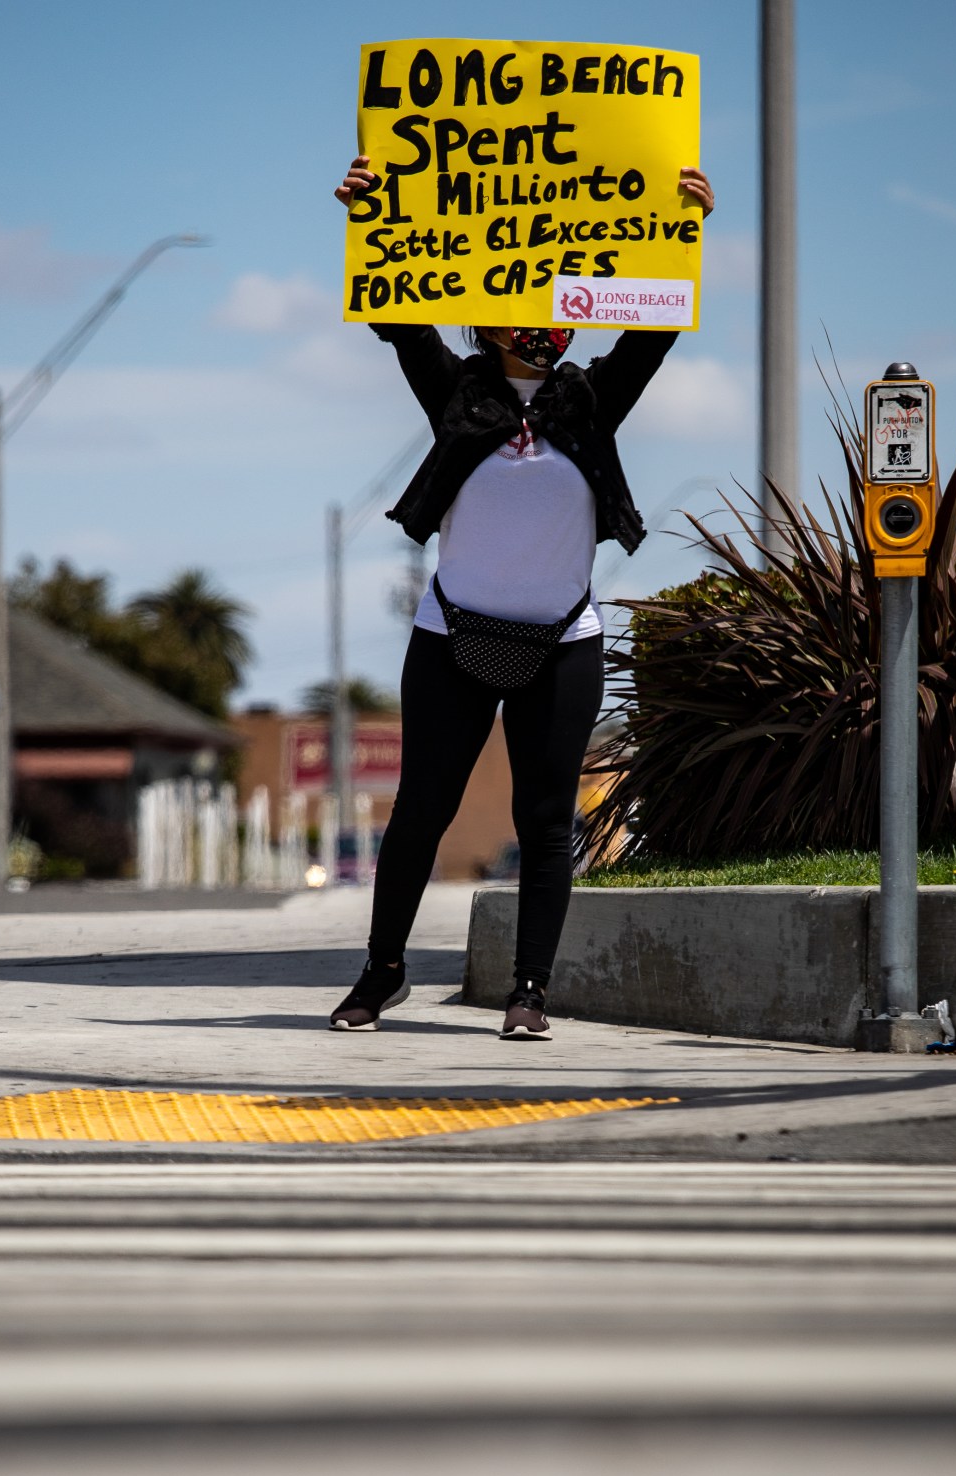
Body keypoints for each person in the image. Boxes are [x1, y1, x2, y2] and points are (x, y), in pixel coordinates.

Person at [329, 153, 715, 1039]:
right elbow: (398, 316)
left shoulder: (590, 401)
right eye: (526, 299)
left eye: (558, 298)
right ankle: (380, 976)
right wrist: (367, 211)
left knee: (545, 821)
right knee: (422, 810)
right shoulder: (458, 392)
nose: (546, 314)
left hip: (560, 645)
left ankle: (529, 992)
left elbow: (655, 331)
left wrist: (686, 224)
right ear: (489, 318)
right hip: (450, 637)